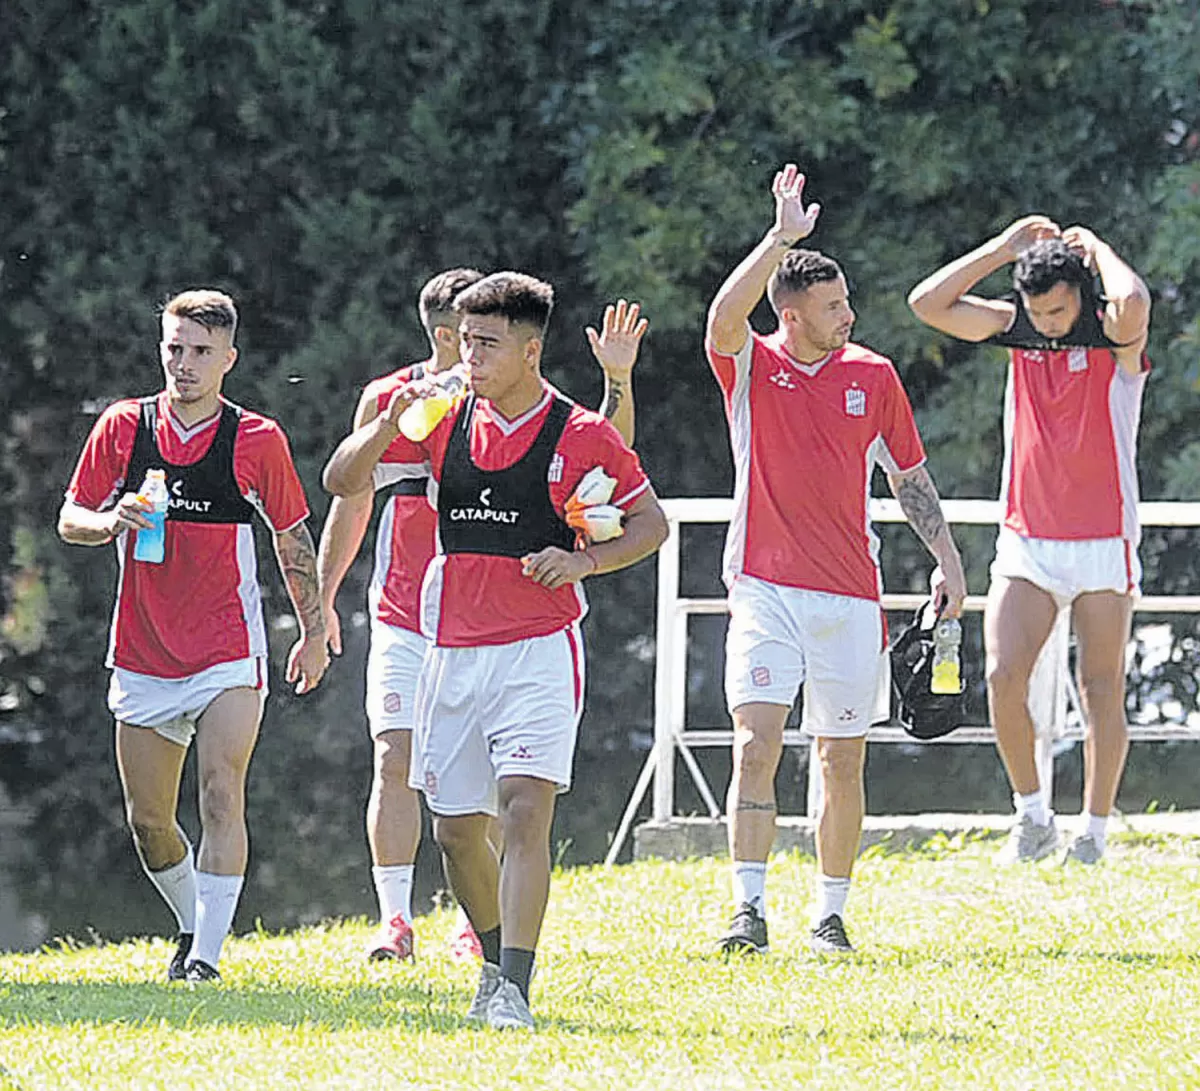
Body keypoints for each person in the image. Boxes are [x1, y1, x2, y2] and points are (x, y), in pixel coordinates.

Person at [323, 271, 667, 1029]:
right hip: (450, 650)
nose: (465, 356)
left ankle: (514, 984)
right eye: (462, 339)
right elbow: (341, 479)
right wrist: (387, 424)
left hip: (539, 651)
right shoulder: (440, 418)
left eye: (485, 343)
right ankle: (490, 959)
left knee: (522, 813)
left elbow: (650, 523)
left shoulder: (578, 432)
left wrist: (584, 561)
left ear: (530, 350)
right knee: (452, 829)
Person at [706, 164, 967, 956]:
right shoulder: (752, 365)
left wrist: (949, 561)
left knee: (840, 755)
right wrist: (780, 237)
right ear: (790, 314)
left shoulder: (875, 375)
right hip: (763, 588)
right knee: (756, 743)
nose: (847, 315)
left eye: (848, 302)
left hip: (854, 595)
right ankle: (747, 908)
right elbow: (722, 317)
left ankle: (830, 913)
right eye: (831, 306)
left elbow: (910, 478)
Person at [57, 289, 329, 982]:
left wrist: (315, 629)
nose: (184, 363)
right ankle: (190, 922)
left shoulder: (256, 439)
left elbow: (293, 541)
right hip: (144, 652)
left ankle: (206, 957)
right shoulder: (123, 426)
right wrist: (113, 519)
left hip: (226, 651)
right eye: (175, 348)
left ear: (228, 359)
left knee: (219, 791)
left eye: (201, 351)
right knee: (149, 821)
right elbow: (70, 520)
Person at [907, 216, 1151, 865]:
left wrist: (1094, 245)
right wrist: (1001, 248)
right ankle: (1033, 817)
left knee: (1101, 686)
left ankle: (1094, 833)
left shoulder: (1112, 336)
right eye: (1038, 310)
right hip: (1028, 539)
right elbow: (926, 304)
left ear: (1081, 295)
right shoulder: (1014, 328)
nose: (1047, 321)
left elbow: (1135, 301)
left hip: (1104, 538)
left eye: (1059, 308)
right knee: (1001, 675)